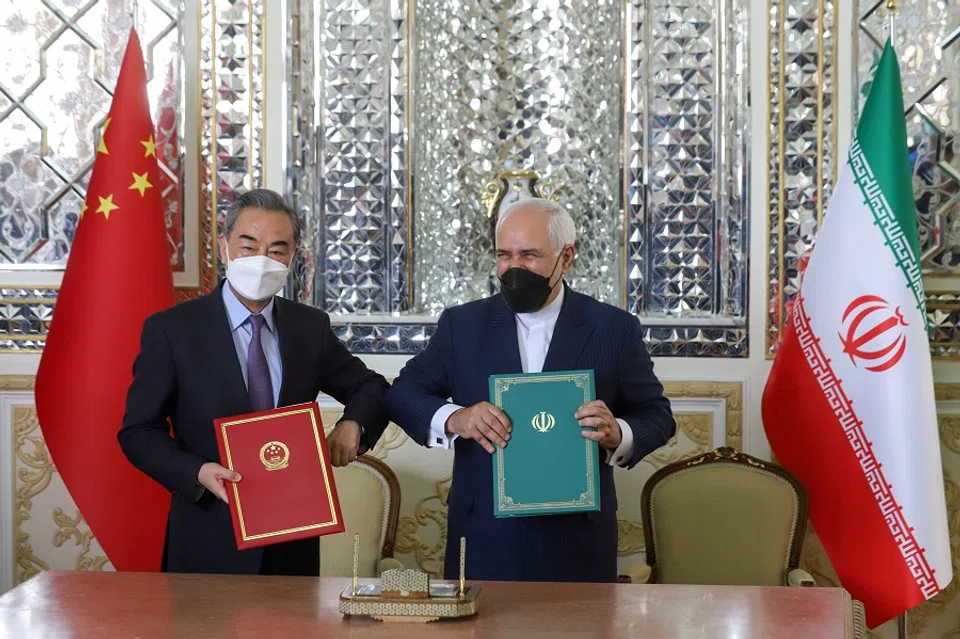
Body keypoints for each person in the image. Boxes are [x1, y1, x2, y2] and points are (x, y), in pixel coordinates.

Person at [386, 197, 676, 583]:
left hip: (577, 538)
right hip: (484, 534)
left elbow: (657, 417)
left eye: (529, 255)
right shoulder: (463, 325)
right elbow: (403, 393)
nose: (514, 268)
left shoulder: (614, 329)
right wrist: (457, 417)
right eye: (504, 255)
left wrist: (616, 433)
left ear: (566, 257)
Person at [118, 188, 390, 576]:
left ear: (293, 258)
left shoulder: (309, 328)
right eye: (248, 246)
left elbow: (371, 386)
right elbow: (138, 431)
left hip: (292, 542)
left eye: (277, 250)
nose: (262, 259)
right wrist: (197, 473)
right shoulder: (173, 330)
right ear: (225, 247)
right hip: (208, 537)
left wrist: (353, 426)